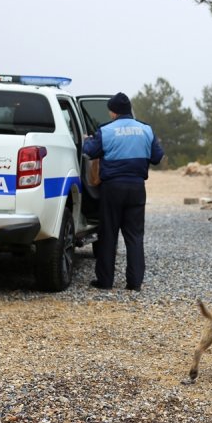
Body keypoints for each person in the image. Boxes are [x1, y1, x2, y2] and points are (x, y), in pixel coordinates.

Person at [82, 92, 164, 291]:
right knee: (135, 236)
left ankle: (105, 282)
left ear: (112, 112)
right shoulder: (146, 130)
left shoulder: (107, 130)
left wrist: (87, 139)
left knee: (108, 235)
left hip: (112, 189)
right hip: (137, 188)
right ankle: (134, 283)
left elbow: (89, 151)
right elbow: (157, 157)